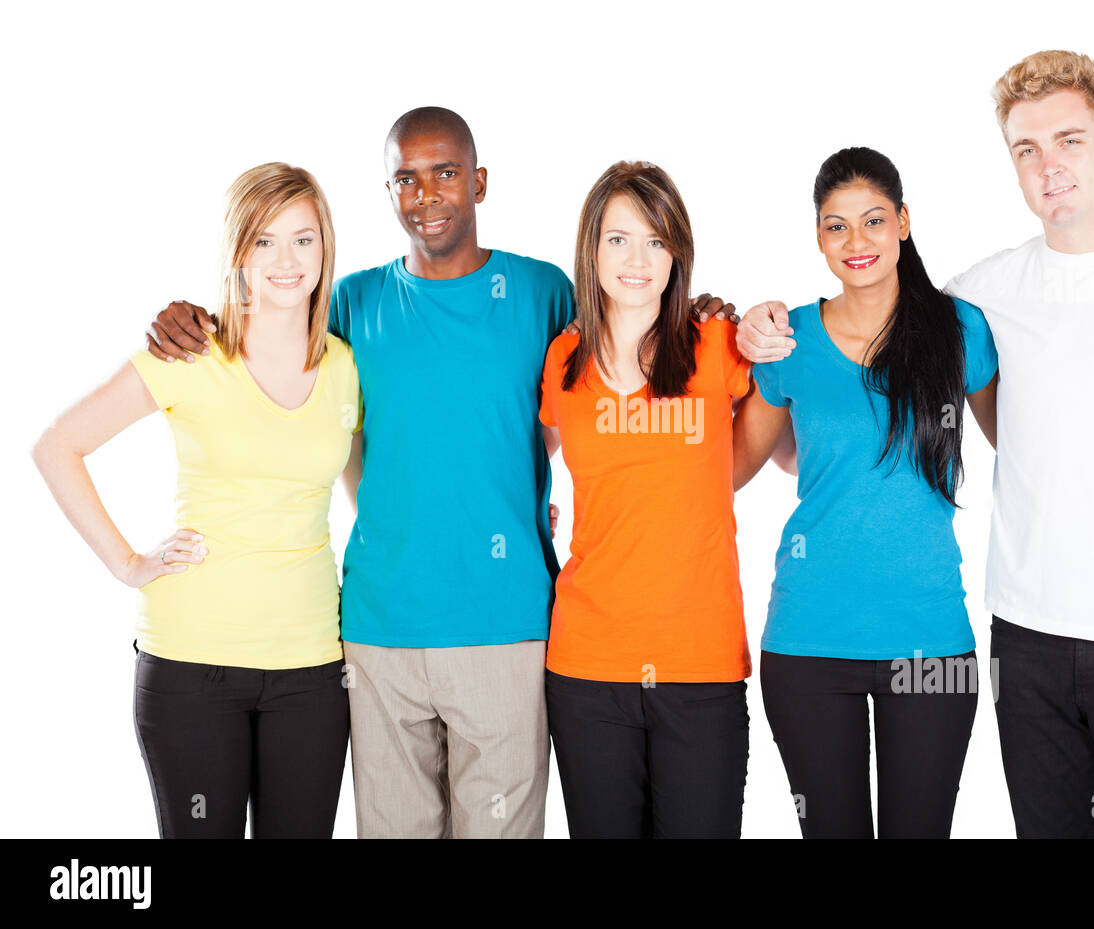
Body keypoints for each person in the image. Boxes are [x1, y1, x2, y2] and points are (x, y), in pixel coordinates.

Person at [143, 108, 736, 838]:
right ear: (388, 192)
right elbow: (271, 340)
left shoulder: (544, 291)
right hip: (377, 631)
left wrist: (705, 313)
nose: (426, 194)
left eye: (446, 173)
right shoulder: (353, 301)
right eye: (407, 178)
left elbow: (624, 331)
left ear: (479, 182)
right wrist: (197, 312)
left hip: (508, 628)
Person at [738, 51, 1094, 839]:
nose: (1050, 166)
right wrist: (756, 325)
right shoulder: (980, 297)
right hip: (1027, 640)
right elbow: (855, 407)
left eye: (1070, 141)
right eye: (1027, 149)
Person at [32, 163, 360, 838]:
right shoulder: (188, 352)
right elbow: (57, 447)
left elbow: (371, 491)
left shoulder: (346, 366)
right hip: (191, 668)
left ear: (326, 246)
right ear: (237, 253)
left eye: (303, 238)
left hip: (313, 670)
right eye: (263, 241)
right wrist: (128, 563)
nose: (285, 260)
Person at [730, 146, 997, 839]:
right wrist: (717, 332)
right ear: (818, 237)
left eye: (873, 220)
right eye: (836, 226)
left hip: (930, 641)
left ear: (904, 222)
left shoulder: (960, 330)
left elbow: (1021, 448)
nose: (857, 242)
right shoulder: (787, 338)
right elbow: (727, 467)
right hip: (810, 641)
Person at [539, 161, 751, 838]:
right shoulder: (562, 362)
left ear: (677, 253)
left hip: (701, 663)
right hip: (586, 664)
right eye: (619, 239)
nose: (638, 259)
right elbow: (523, 466)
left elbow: (771, 450)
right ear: (590, 249)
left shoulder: (717, 344)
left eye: (657, 241)